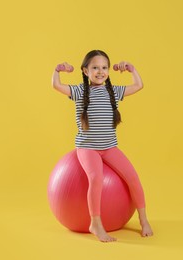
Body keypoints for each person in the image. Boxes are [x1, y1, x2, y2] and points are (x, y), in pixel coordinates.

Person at [52, 50, 153, 242]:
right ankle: (95, 223)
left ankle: (144, 220)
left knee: (133, 177)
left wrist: (131, 69)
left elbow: (138, 85)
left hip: (109, 147)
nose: (100, 71)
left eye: (104, 67)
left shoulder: (113, 92)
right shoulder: (80, 91)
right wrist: (58, 70)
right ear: (85, 70)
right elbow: (56, 85)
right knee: (96, 177)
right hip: (87, 148)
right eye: (95, 67)